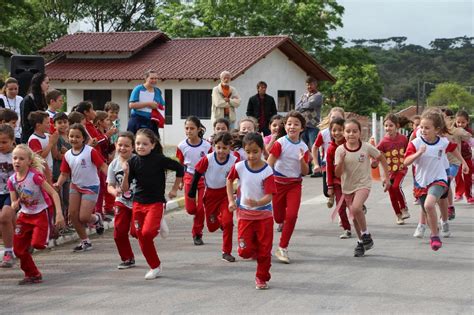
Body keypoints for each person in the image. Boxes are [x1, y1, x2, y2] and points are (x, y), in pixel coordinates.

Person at [121, 128, 183, 280]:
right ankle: (155, 266)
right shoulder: (133, 162)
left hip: (155, 202)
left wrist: (175, 189)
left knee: (147, 234)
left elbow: (180, 168)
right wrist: (126, 173)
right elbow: (125, 189)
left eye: (144, 144)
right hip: (138, 203)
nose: (140, 147)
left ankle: (155, 264)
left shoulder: (159, 159)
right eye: (138, 144)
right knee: (137, 234)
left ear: (153, 145)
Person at [405, 109, 468, 250]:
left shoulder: (442, 142)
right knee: (426, 209)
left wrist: (463, 162)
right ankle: (433, 230)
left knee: (429, 205)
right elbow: (406, 162)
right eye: (421, 127)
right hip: (421, 182)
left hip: (438, 179)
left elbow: (453, 149)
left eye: (427, 128)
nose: (423, 130)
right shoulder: (415, 143)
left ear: (437, 129)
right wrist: (418, 154)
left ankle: (434, 236)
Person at [226, 132, 276, 290]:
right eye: (248, 152)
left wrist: (258, 202)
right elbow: (229, 180)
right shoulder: (240, 167)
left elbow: (269, 196)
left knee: (265, 250)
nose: (252, 155)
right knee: (244, 252)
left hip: (264, 216)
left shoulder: (267, 170)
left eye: (255, 151)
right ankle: (253, 248)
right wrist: (231, 200)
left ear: (262, 150)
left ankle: (261, 277)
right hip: (245, 215)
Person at [8, 144, 64, 284]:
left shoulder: (35, 176)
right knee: (19, 250)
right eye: (15, 158)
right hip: (25, 215)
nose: (17, 161)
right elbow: (14, 202)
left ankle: (49, 230)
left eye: (21, 159)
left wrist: (59, 214)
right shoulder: (12, 180)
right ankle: (33, 274)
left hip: (41, 212)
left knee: (38, 244)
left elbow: (53, 193)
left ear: (28, 161)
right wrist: (14, 205)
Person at [335, 119, 390, 257]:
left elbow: (381, 158)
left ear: (360, 133)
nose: (351, 134)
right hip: (347, 187)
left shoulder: (366, 147)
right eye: (348, 131)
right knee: (353, 217)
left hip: (363, 184)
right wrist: (341, 161)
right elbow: (337, 173)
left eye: (355, 131)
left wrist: (386, 177)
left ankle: (366, 234)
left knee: (356, 207)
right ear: (343, 133)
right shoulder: (340, 150)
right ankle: (361, 242)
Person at [55, 123, 108, 252]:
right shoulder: (67, 155)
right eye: (71, 136)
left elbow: (102, 166)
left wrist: (111, 180)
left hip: (91, 186)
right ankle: (85, 241)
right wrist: (58, 184)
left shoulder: (90, 151)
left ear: (83, 138)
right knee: (73, 215)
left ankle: (96, 219)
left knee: (84, 217)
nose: (74, 139)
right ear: (68, 138)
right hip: (76, 186)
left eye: (77, 136)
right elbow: (64, 173)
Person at [267, 111, 309, 264]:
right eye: (289, 123)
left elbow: (305, 171)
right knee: (278, 217)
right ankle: (282, 223)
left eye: (296, 124)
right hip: (278, 184)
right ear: (285, 126)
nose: (292, 127)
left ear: (302, 128)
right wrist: (264, 181)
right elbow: (270, 163)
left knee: (291, 216)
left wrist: (301, 161)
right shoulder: (280, 143)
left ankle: (282, 247)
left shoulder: (304, 147)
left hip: (294, 185)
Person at [188, 132, 238, 262]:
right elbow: (197, 173)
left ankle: (226, 252)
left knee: (228, 223)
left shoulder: (234, 161)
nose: (221, 151)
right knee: (212, 227)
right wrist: (192, 192)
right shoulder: (208, 158)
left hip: (225, 194)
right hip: (210, 195)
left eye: (224, 148)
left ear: (230, 148)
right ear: (214, 146)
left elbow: (241, 177)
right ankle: (219, 220)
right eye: (218, 147)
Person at [176, 116, 212, 246]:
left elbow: (211, 163)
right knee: (191, 209)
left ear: (198, 129)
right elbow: (180, 164)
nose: (189, 131)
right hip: (189, 177)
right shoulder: (181, 146)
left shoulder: (207, 146)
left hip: (203, 178)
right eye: (187, 128)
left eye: (192, 128)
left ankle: (197, 233)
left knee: (201, 208)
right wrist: (179, 181)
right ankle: (197, 216)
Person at [107, 132, 139, 269]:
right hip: (121, 201)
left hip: (139, 201)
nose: (123, 148)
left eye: (127, 145)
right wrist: (115, 192)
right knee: (118, 232)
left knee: (135, 232)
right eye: (120, 145)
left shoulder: (138, 161)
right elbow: (110, 185)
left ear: (133, 147)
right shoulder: (113, 165)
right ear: (116, 145)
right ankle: (127, 258)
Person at [377, 114, 410, 225]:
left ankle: (404, 208)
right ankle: (398, 215)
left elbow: (409, 151)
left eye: (390, 125)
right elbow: (376, 154)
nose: (388, 128)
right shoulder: (383, 142)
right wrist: (374, 162)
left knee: (396, 186)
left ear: (397, 126)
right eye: (386, 126)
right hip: (389, 171)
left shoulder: (403, 139)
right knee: (391, 194)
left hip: (401, 168)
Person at [312, 107, 345, 205]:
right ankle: (331, 195)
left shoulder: (346, 131)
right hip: (327, 163)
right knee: (327, 191)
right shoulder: (323, 133)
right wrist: (316, 164)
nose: (335, 119)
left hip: (343, 163)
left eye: (338, 117)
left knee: (344, 187)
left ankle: (347, 203)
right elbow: (315, 147)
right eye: (333, 117)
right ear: (329, 118)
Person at [325, 117, 352, 239]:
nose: (337, 133)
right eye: (334, 130)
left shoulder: (350, 145)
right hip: (337, 183)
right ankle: (347, 229)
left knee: (353, 207)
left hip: (352, 182)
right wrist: (329, 187)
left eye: (340, 130)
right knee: (341, 208)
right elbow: (329, 169)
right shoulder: (330, 149)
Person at [127, 70, 165, 137]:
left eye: (156, 78)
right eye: (152, 78)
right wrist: (148, 104)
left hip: (151, 121)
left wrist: (157, 107)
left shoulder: (157, 91)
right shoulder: (138, 89)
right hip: (137, 119)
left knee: (154, 142)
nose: (154, 80)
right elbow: (131, 105)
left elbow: (161, 105)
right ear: (146, 78)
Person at [51, 112, 71, 232]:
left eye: (65, 122)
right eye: (59, 123)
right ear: (54, 124)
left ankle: (66, 224)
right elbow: (56, 155)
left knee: (67, 199)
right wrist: (66, 154)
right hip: (58, 173)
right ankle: (59, 226)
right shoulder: (56, 137)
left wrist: (67, 152)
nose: (63, 125)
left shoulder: (69, 136)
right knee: (60, 200)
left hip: (68, 173)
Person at [27, 111, 58, 183]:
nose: (50, 125)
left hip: (50, 170)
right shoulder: (34, 139)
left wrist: (54, 143)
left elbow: (54, 155)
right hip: (40, 173)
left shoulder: (47, 136)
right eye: (47, 123)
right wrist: (50, 143)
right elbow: (40, 157)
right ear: (38, 125)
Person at [0, 125, 16, 267]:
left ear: (12, 141)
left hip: (12, 192)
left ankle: (9, 252)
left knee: (5, 217)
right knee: (8, 223)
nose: (1, 145)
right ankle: (19, 240)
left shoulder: (17, 154)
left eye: (4, 142)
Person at [296, 77, 323, 151]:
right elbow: (297, 107)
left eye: (311, 84)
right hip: (304, 125)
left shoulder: (318, 95)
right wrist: (305, 106)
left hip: (313, 126)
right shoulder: (304, 95)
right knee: (304, 147)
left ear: (315, 85)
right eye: (307, 85)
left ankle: (317, 162)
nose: (309, 86)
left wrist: (303, 106)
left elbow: (310, 105)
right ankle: (307, 163)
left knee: (313, 147)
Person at [20, 73, 49, 143]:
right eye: (46, 83)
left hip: (42, 136)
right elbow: (25, 123)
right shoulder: (28, 99)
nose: (48, 85)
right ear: (39, 83)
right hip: (30, 137)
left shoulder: (44, 98)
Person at [454, 110, 473, 204]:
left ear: (467, 121)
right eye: (458, 122)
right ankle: (458, 193)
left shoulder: (469, 132)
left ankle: (469, 195)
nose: (460, 124)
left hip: (467, 157)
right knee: (457, 176)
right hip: (456, 158)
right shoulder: (453, 131)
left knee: (468, 177)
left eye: (463, 122)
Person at [0, 78, 23, 143]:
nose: (13, 91)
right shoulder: (1, 99)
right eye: (10, 89)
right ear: (5, 88)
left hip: (18, 134)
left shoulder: (20, 99)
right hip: (4, 133)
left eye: (16, 89)